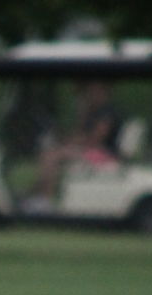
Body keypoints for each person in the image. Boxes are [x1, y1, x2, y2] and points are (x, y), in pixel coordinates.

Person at [29, 80, 122, 209]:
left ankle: (45, 200)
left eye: (94, 90)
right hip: (92, 150)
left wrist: (69, 142)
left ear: (103, 91)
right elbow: (81, 133)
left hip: (103, 153)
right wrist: (67, 139)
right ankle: (37, 196)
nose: (90, 94)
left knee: (51, 157)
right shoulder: (93, 111)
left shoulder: (107, 112)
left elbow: (95, 139)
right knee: (49, 153)